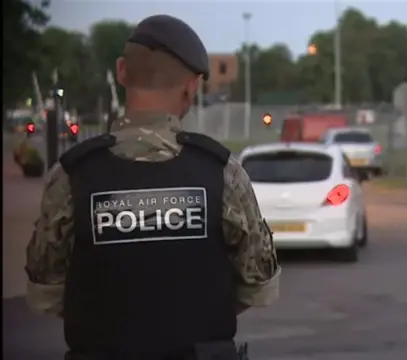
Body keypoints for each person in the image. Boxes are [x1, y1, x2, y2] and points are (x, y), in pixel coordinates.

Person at [25, 14, 280, 360]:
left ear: (121, 72)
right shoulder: (223, 173)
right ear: (192, 86)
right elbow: (258, 287)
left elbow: (45, 292)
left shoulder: (71, 175)